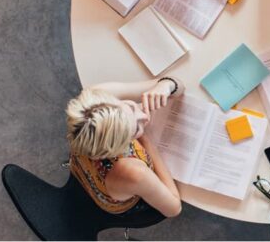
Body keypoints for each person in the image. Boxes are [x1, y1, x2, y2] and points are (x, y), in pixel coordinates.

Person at [65, 77, 184, 217]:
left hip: (82, 167)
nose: (144, 116)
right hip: (117, 199)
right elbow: (174, 208)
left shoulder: (96, 96)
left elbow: (177, 84)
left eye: (131, 107)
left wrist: (166, 86)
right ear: (119, 148)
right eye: (135, 129)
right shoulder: (134, 172)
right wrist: (148, 141)